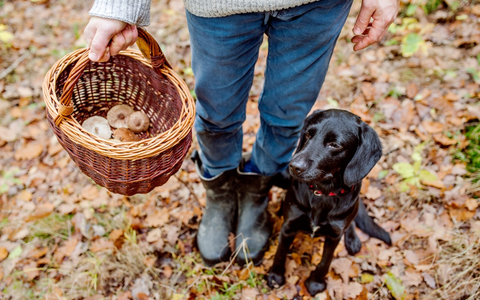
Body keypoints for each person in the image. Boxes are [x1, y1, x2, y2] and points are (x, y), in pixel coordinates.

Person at [85, 0, 398, 267]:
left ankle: (256, 190)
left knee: (287, 117)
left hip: (316, 7)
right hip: (219, 6)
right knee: (217, 115)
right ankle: (220, 194)